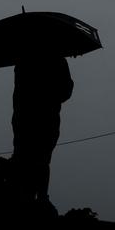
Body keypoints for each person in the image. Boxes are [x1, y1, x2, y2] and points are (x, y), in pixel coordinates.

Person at [11, 55, 74, 212]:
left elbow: (18, 92)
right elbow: (66, 90)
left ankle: (29, 196)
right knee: (41, 159)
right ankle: (39, 197)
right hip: (43, 116)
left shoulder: (23, 59)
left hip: (26, 117)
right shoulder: (57, 59)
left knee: (27, 157)